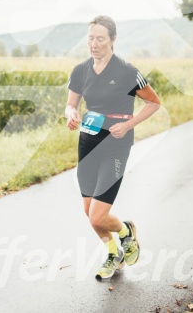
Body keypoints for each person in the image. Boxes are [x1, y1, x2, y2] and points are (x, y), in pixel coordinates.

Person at [65, 15, 161, 281]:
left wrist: (129, 124)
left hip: (115, 146)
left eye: (100, 39)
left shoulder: (127, 71)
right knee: (89, 212)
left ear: (113, 40)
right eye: (90, 38)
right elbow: (71, 104)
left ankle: (126, 233)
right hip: (87, 143)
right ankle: (114, 252)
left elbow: (153, 103)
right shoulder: (80, 70)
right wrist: (70, 113)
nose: (94, 44)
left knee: (97, 216)